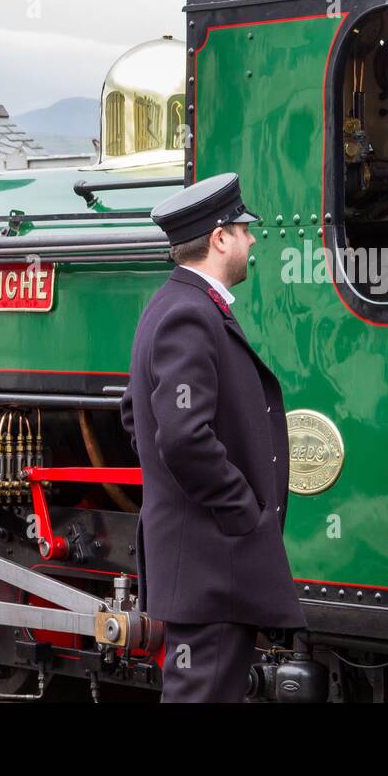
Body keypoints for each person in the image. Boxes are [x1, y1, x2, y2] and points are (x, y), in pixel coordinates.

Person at [120, 172, 305, 702]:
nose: (252, 240)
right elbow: (180, 438)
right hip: (211, 563)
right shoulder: (190, 314)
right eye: (245, 230)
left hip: (201, 560)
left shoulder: (171, 304)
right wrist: (240, 511)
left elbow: (135, 414)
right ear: (220, 237)